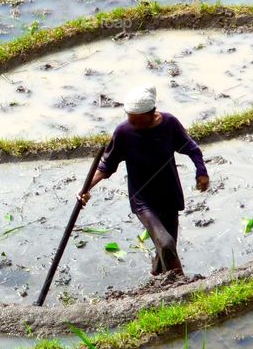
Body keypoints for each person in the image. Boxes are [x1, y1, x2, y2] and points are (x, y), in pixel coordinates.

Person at [78, 85, 209, 277]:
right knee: (166, 243)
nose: (135, 125)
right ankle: (182, 284)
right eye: (132, 120)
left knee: (164, 247)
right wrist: (86, 188)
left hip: (169, 195)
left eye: (140, 121)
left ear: (153, 113)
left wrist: (201, 172)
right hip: (143, 200)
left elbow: (192, 148)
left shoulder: (169, 124)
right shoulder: (123, 132)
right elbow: (106, 166)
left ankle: (156, 276)